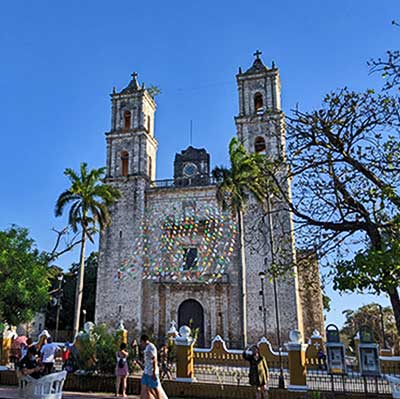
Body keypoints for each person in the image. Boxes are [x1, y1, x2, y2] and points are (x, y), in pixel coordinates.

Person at [140, 334, 168, 399]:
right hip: (146, 372)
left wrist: (154, 372)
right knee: (144, 389)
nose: (141, 344)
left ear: (143, 341)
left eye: (141, 342)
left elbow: (154, 359)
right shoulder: (147, 347)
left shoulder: (151, 347)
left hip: (151, 372)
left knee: (156, 390)